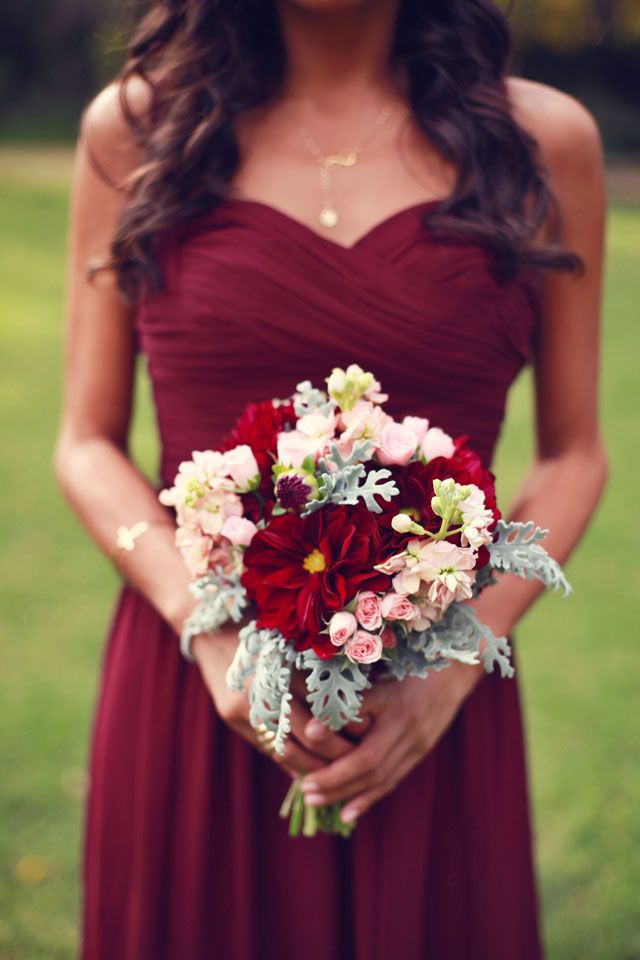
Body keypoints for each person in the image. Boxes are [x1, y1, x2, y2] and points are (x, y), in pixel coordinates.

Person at [54, 0, 607, 956]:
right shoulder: (140, 129)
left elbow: (573, 455)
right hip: (198, 684)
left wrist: (453, 669)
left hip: (427, 704)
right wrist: (210, 628)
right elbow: (85, 440)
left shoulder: (543, 143)